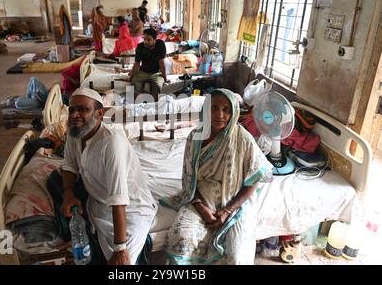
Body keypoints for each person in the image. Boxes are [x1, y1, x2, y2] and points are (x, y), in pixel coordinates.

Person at [160, 88, 273, 265]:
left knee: (235, 255)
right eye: (214, 108)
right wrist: (200, 207)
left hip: (235, 204)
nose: (220, 114)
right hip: (200, 199)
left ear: (234, 112)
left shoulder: (243, 139)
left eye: (226, 109)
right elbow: (189, 179)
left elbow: (255, 179)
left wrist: (228, 210)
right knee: (181, 239)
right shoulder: (195, 138)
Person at [48, 88, 157, 265]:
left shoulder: (112, 143)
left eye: (83, 109)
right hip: (99, 201)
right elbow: (69, 165)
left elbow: (119, 198)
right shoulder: (75, 133)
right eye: (72, 109)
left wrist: (120, 250)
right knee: (54, 180)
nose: (75, 115)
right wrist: (68, 193)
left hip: (130, 209)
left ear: (99, 114)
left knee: (122, 262)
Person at [130, 28, 168, 100]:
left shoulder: (160, 45)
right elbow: (137, 64)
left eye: (149, 40)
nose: (146, 42)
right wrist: (131, 78)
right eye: (144, 39)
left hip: (156, 73)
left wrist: (165, 78)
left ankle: (152, 106)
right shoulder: (140, 47)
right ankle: (142, 103)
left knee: (157, 88)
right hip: (143, 72)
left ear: (155, 40)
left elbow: (161, 63)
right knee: (134, 86)